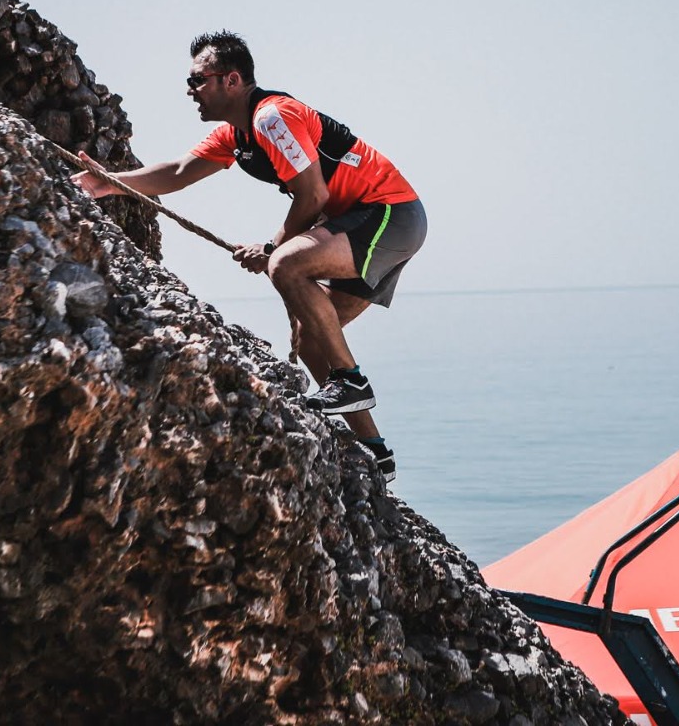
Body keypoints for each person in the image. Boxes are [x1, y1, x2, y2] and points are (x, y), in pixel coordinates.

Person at [73, 31, 426, 482]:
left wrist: (273, 248)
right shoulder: (234, 135)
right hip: (364, 219)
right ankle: (377, 453)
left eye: (197, 79)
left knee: (287, 265)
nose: (189, 90)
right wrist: (109, 182)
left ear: (232, 80)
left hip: (389, 213)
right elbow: (178, 172)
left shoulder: (272, 118)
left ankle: (351, 381)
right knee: (310, 335)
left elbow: (312, 194)